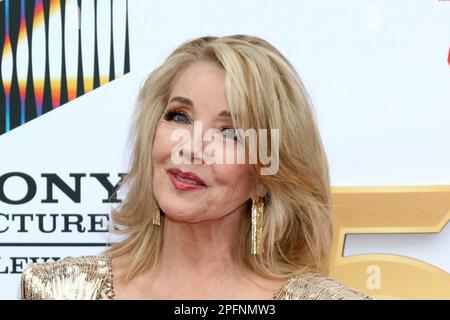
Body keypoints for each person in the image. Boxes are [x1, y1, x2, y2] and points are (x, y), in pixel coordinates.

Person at [21, 35, 372, 300]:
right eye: (179, 116)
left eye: (231, 133)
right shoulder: (59, 290)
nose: (191, 148)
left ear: (266, 176)